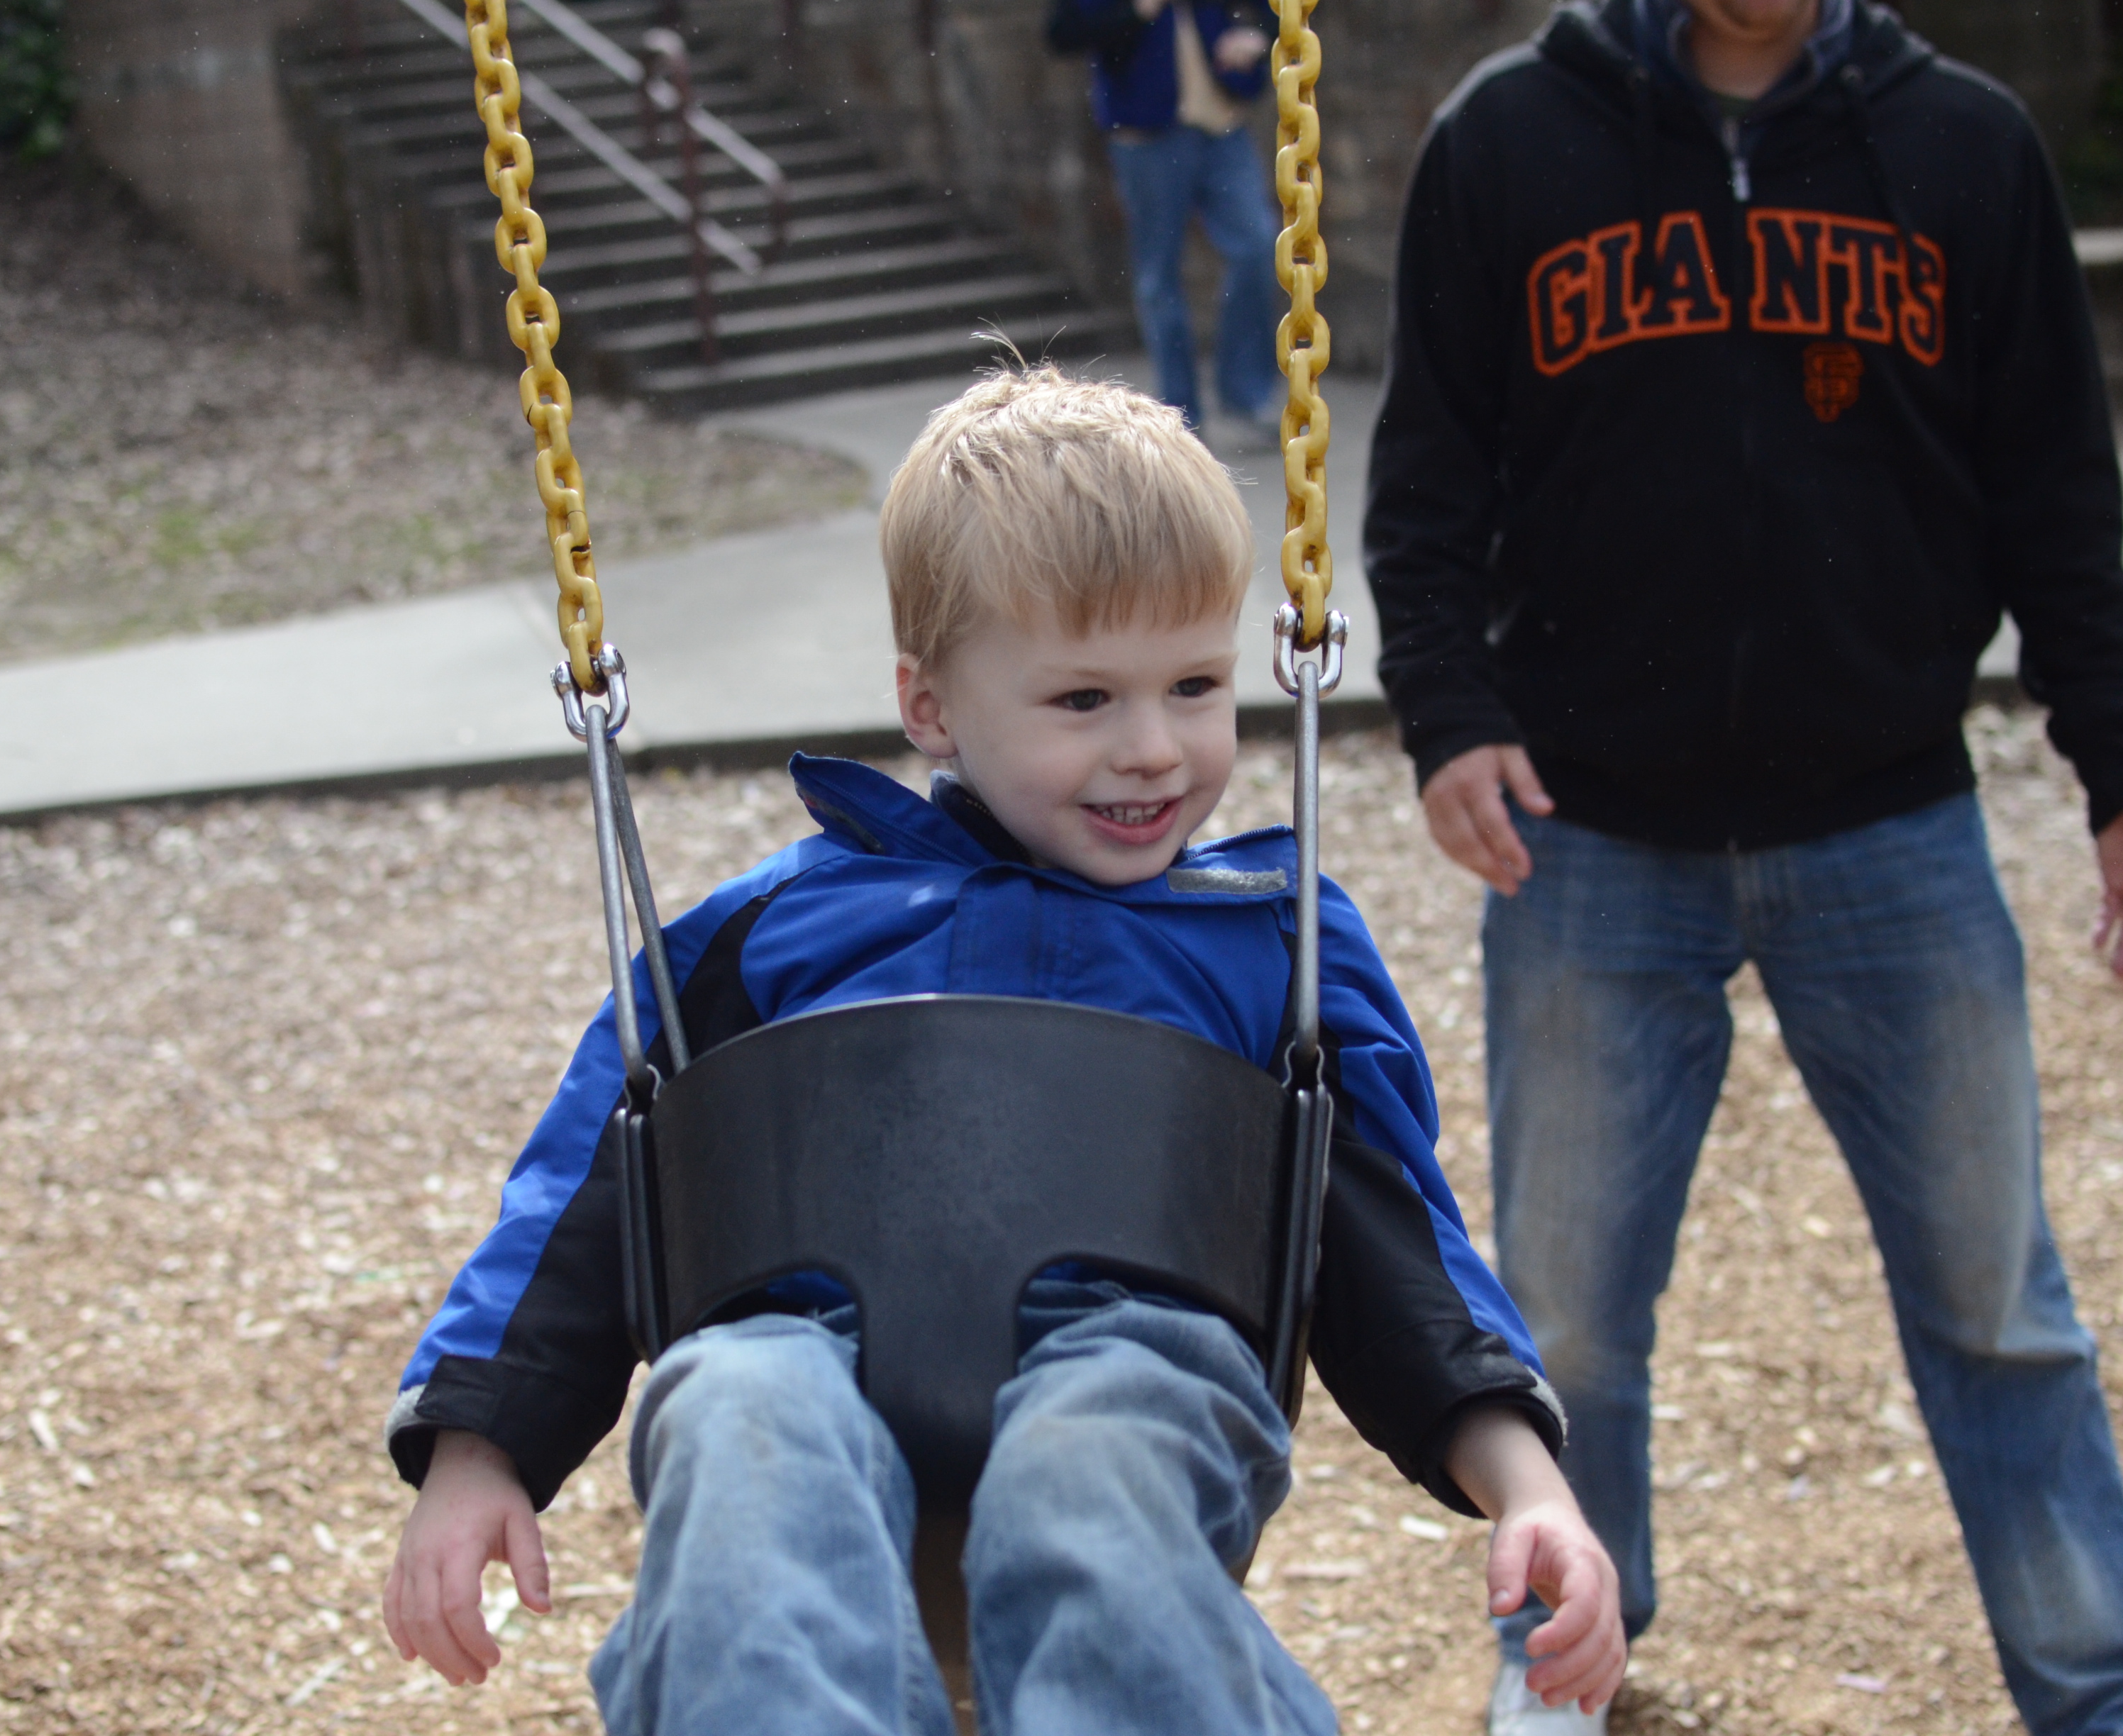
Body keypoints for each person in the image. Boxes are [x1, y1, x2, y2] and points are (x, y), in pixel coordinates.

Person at [381, 369, 1626, 1734]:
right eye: (1083, 698)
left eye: (1195, 684)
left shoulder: (1270, 944)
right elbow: (592, 1186)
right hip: (811, 1343)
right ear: (929, 705)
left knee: (1088, 1460)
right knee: (733, 1405)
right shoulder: (766, 935)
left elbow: (1391, 1235)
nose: (1152, 748)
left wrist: (1527, 1481)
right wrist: (477, 1447)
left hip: (1135, 1357)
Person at [1363, 1, 2123, 1732]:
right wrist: (1446, 712)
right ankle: (1561, 1671)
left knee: (2000, 1303)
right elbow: (1427, 472)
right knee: (1567, 1317)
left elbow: (2055, 483)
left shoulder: (1964, 145)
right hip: (1589, 829)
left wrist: (2121, 755)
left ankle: (2111, 1690)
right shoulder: (1509, 140)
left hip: (1892, 817)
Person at [1046, 0, 1277, 438]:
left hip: (1223, 123)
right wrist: (1133, 13)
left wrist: (1259, 36)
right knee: (1159, 277)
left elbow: (1278, 12)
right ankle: (1181, 414)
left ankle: (1245, 395)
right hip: (1146, 134)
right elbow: (1063, 33)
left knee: (1259, 247)